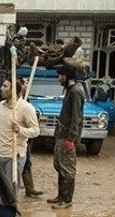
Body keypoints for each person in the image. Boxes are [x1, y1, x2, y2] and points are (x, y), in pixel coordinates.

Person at [0, 78, 39, 190]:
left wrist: (20, 129)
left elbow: (36, 131)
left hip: (15, 155)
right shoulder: (1, 105)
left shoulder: (26, 108)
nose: (1, 88)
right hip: (0, 152)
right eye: (2, 85)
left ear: (14, 90)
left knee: (10, 190)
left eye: (5, 86)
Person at [47, 63, 84, 209]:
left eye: (60, 75)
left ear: (67, 76)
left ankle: (67, 200)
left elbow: (77, 118)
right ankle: (61, 196)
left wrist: (71, 139)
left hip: (67, 137)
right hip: (62, 134)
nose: (58, 78)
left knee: (67, 168)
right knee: (59, 165)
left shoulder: (75, 91)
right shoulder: (70, 90)